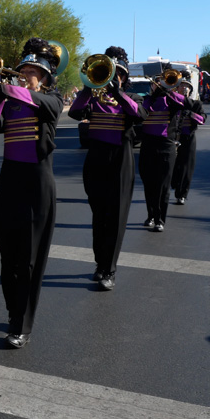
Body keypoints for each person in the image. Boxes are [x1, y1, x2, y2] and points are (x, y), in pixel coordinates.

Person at [0, 38, 63, 348]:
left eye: (32, 71)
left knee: (28, 258)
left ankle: (22, 324)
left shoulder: (52, 100)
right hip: (9, 179)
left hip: (37, 182)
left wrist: (5, 88)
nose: (25, 74)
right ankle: (14, 311)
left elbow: (44, 105)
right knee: (7, 256)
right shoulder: (11, 100)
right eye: (23, 69)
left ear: (45, 77)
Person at [67, 46, 144, 291]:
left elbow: (139, 114)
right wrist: (89, 88)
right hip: (96, 158)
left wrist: (118, 93)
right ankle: (100, 265)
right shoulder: (94, 97)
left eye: (118, 73)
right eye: (111, 73)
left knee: (116, 217)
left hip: (121, 159)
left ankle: (110, 270)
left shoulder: (134, 99)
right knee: (99, 216)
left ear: (124, 77)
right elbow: (75, 112)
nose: (114, 77)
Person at [138, 64, 187, 233]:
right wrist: (153, 95)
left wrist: (167, 92)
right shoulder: (147, 100)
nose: (158, 84)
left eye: (162, 80)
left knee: (164, 186)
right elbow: (139, 113)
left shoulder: (173, 99)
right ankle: (151, 215)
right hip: (148, 146)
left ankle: (160, 219)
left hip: (166, 146)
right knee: (149, 184)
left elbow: (185, 104)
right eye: (156, 81)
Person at [171, 74, 206, 205]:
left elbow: (203, 119)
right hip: (173, 138)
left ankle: (182, 194)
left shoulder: (196, 104)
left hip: (188, 138)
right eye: (181, 86)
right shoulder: (172, 102)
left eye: (187, 87)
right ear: (177, 88)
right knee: (173, 166)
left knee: (186, 167)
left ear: (190, 90)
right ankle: (174, 184)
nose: (184, 88)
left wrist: (191, 114)